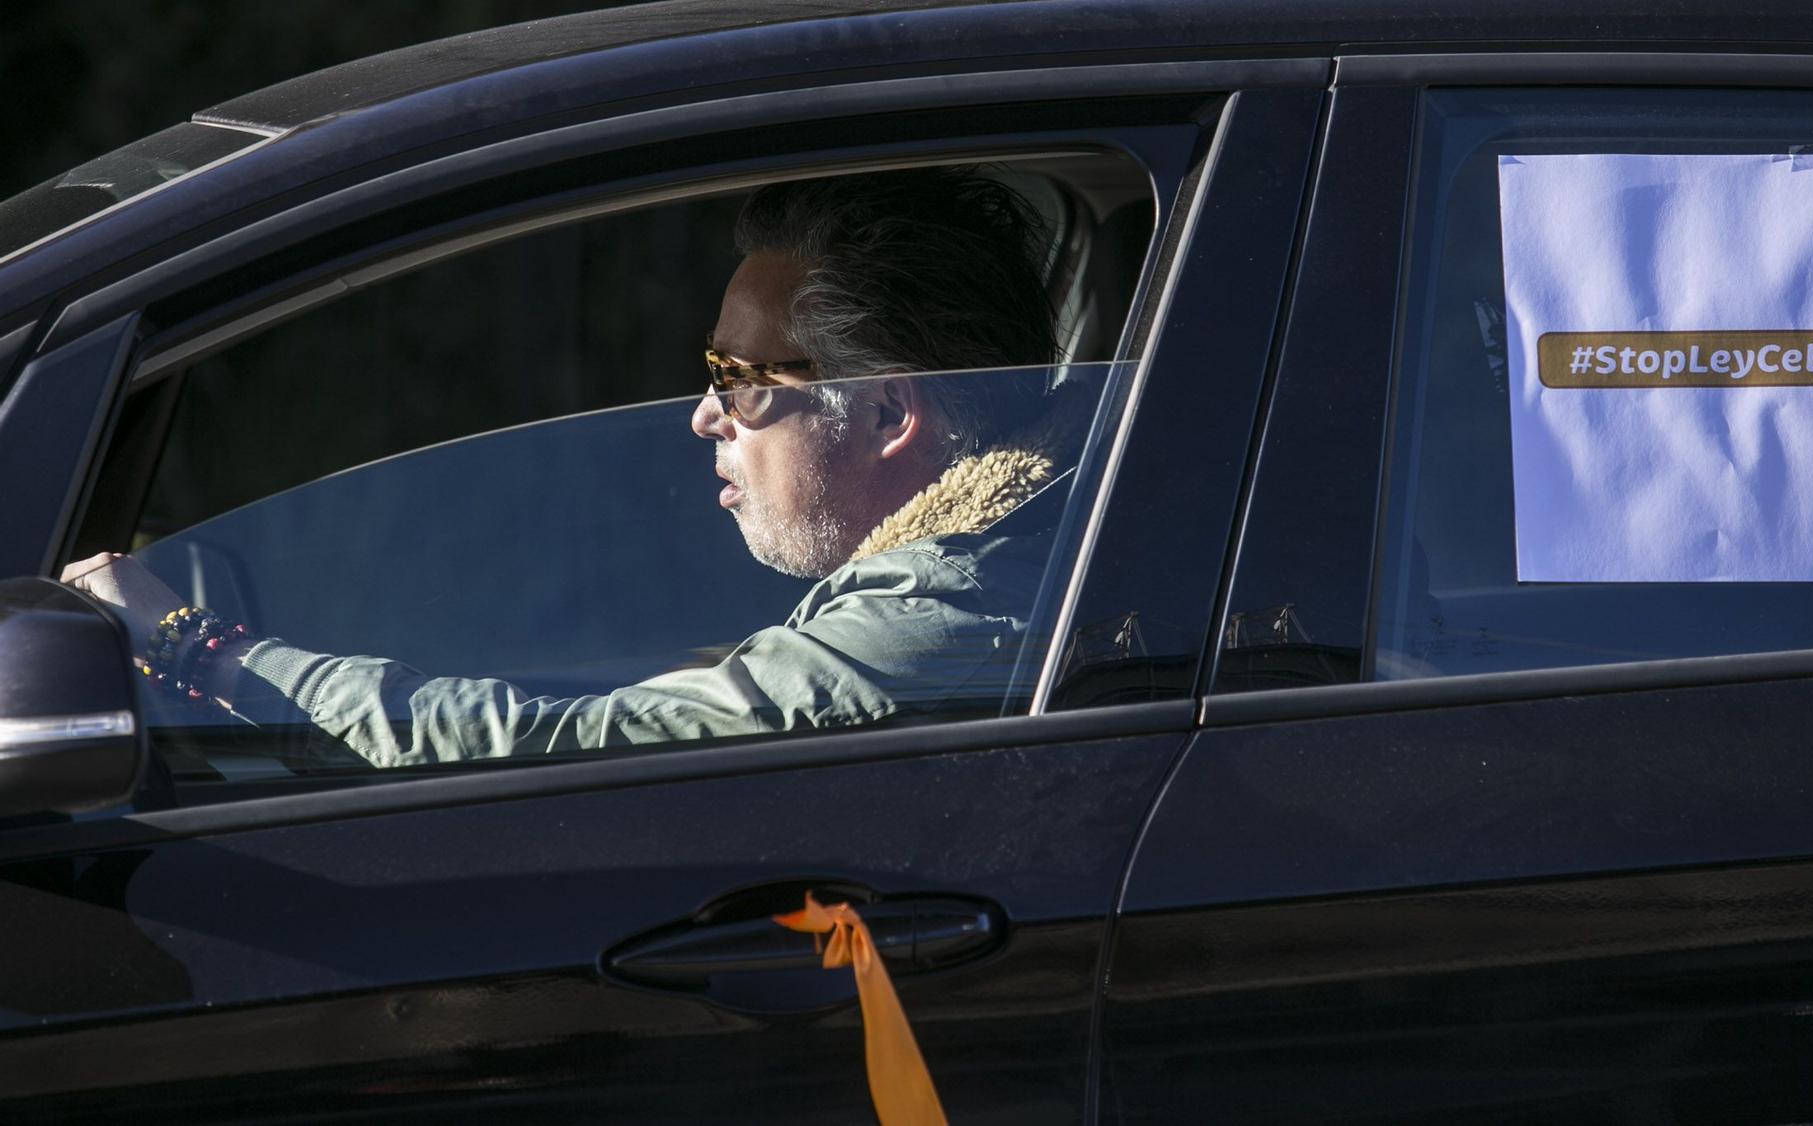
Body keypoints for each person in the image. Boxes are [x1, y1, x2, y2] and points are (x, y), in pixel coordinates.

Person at [63, 168, 1082, 766]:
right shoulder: (998, 570)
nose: (702, 417)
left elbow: (558, 745)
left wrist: (196, 645)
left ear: (888, 413)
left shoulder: (935, 624)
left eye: (738, 379)